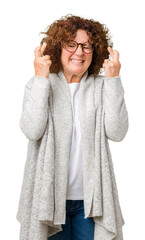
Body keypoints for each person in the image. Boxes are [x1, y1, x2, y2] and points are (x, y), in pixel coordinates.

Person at [16, 14, 129, 240]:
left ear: (94, 51)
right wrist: (40, 78)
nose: (79, 52)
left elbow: (117, 132)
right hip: (49, 204)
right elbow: (32, 130)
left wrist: (113, 80)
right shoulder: (40, 83)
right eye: (71, 44)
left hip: (92, 205)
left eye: (86, 46)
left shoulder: (101, 87)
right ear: (58, 47)